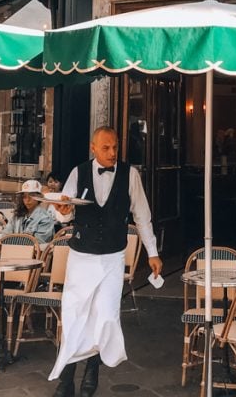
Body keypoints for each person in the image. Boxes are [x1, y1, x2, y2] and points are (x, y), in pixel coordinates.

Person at [49, 127, 162, 397]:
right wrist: (62, 211)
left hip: (112, 258)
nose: (112, 153)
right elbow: (63, 215)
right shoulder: (78, 172)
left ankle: (92, 371)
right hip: (81, 257)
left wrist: (153, 252)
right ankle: (66, 380)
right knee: (75, 316)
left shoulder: (130, 174)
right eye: (106, 148)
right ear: (93, 148)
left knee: (106, 317)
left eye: (115, 147)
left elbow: (142, 216)